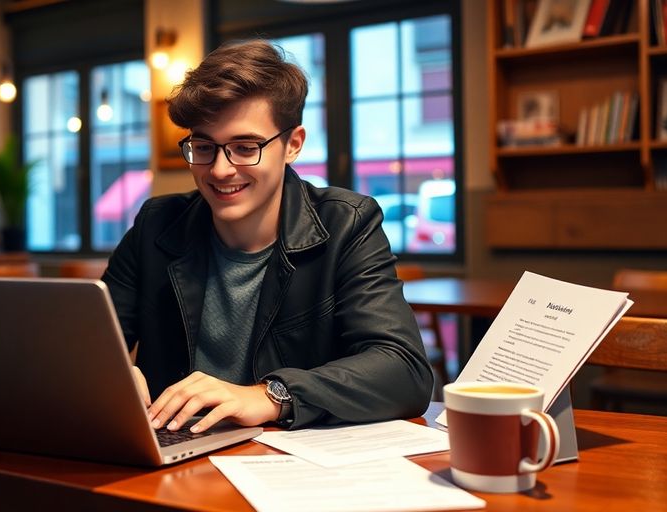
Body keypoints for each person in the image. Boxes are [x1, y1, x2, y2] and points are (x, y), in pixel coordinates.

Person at [102, 39, 432, 434]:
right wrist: (107, 370)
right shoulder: (157, 223)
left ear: (293, 145)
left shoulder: (347, 223)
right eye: (204, 146)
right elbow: (88, 343)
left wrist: (271, 396)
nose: (220, 170)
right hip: (175, 450)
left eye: (245, 147)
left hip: (289, 456)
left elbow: (404, 370)